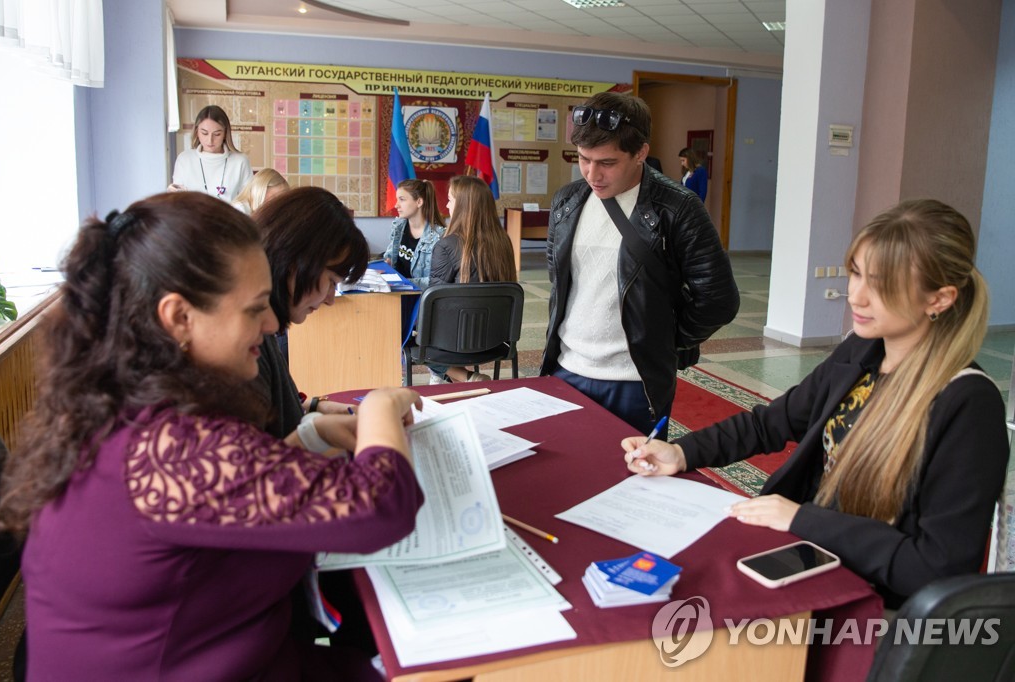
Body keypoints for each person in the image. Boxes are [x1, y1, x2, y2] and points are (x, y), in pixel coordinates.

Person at [0, 192, 424, 680]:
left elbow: (216, 491)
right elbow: (383, 503)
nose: (269, 324)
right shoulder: (168, 445)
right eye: (254, 309)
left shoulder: (117, 405)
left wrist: (309, 436)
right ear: (179, 318)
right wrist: (383, 407)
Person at [623, 199, 1008, 609]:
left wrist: (800, 519)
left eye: (881, 284)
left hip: (875, 604)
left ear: (940, 299)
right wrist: (681, 452)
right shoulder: (863, 350)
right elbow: (771, 423)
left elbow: (936, 566)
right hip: (815, 556)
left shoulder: (968, 403)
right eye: (856, 274)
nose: (855, 297)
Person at [542, 92, 739, 437]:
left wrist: (663, 339)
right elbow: (560, 282)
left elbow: (719, 298)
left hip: (634, 381)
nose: (592, 173)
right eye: (584, 159)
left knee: (631, 484)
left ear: (641, 153)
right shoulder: (567, 201)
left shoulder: (678, 208)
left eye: (607, 162)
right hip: (566, 369)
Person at [251, 185, 370, 439]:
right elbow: (258, 465)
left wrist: (316, 407)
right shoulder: (247, 341)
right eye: (331, 281)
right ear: (292, 260)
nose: (330, 300)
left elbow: (275, 405)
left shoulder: (263, 327)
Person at [428, 175, 517, 383]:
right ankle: (455, 378)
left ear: (462, 206)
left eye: (450, 199)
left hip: (455, 340)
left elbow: (435, 302)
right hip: (497, 339)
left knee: (404, 331)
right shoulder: (504, 242)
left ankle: (463, 375)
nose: (446, 205)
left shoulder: (446, 245)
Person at [168, 105, 253, 202]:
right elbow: (178, 201)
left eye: (217, 134)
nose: (210, 140)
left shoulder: (240, 161)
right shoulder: (185, 159)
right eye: (204, 133)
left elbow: (248, 202)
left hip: (230, 216)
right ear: (197, 132)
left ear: (225, 133)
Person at [382, 178, 446, 288]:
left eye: (402, 199)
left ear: (419, 202)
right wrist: (387, 264)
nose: (396, 205)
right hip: (397, 293)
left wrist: (404, 283)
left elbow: (438, 281)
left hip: (420, 298)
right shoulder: (398, 226)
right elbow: (389, 257)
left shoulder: (439, 236)